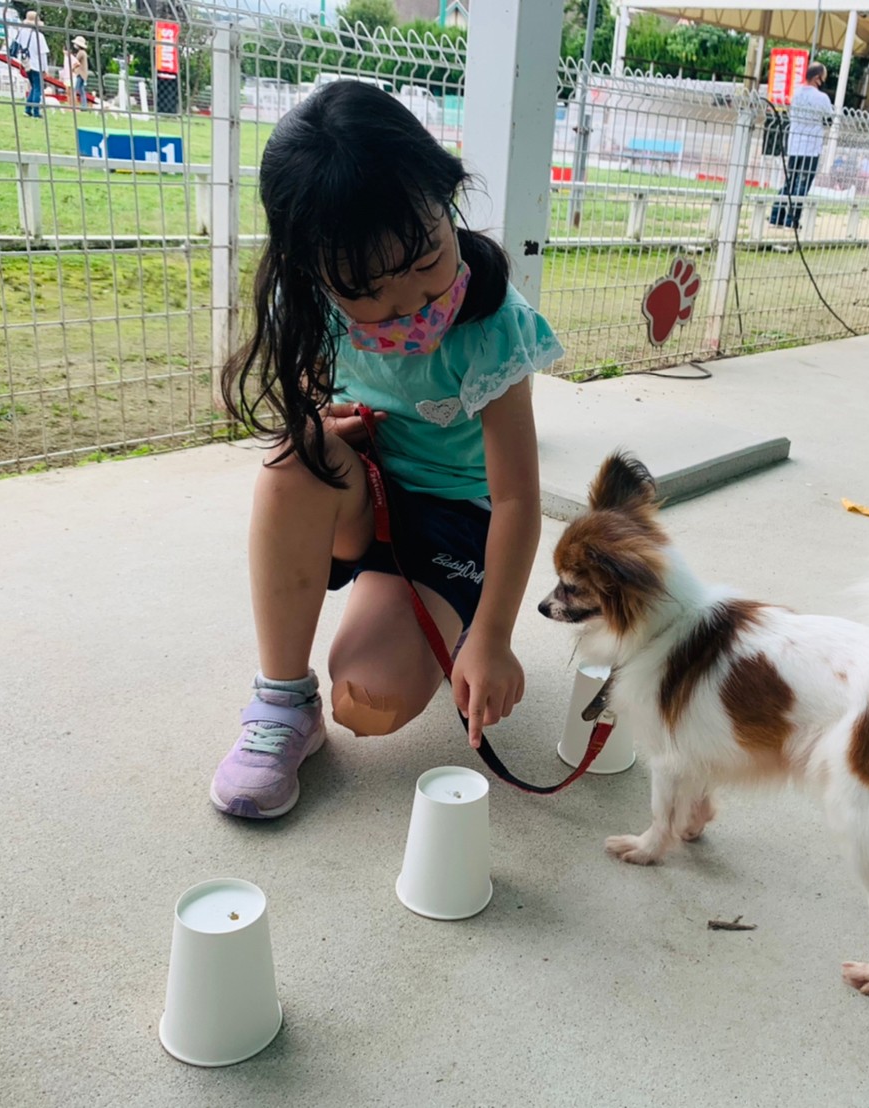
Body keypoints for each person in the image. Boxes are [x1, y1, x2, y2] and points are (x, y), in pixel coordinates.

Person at [210, 81, 561, 819]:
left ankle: (444, 616)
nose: (410, 300)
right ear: (313, 270)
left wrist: (493, 637)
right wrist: (325, 423)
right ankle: (281, 701)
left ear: (449, 196)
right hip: (367, 497)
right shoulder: (307, 309)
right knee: (292, 459)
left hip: (456, 523)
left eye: (428, 257)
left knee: (370, 701)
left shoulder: (493, 328)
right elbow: (291, 396)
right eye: (369, 286)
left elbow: (517, 499)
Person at [771, 61, 833, 230]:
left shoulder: (795, 93)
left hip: (794, 144)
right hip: (811, 146)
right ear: (817, 78)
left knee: (789, 181)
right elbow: (829, 119)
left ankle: (776, 217)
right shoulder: (822, 98)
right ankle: (792, 221)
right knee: (802, 184)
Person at [14, 11, 49, 119]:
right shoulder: (39, 36)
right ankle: (36, 111)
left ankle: (28, 109)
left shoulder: (22, 33)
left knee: (33, 87)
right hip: (37, 64)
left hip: (26, 63)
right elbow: (42, 54)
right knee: (38, 88)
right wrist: (45, 69)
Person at [70, 34, 88, 108]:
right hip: (83, 74)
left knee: (75, 90)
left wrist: (72, 69)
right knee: (81, 91)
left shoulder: (80, 53)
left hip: (80, 74)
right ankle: (84, 106)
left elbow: (76, 62)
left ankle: (73, 105)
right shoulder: (84, 53)